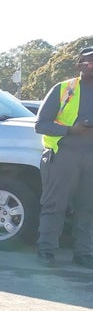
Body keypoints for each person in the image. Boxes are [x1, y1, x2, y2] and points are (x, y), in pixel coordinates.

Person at [34, 46, 93, 267]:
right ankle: (46, 250)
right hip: (64, 156)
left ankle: (84, 253)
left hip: (91, 159)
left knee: (88, 208)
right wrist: (70, 130)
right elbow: (40, 125)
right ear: (79, 65)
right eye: (90, 61)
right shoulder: (64, 89)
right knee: (54, 205)